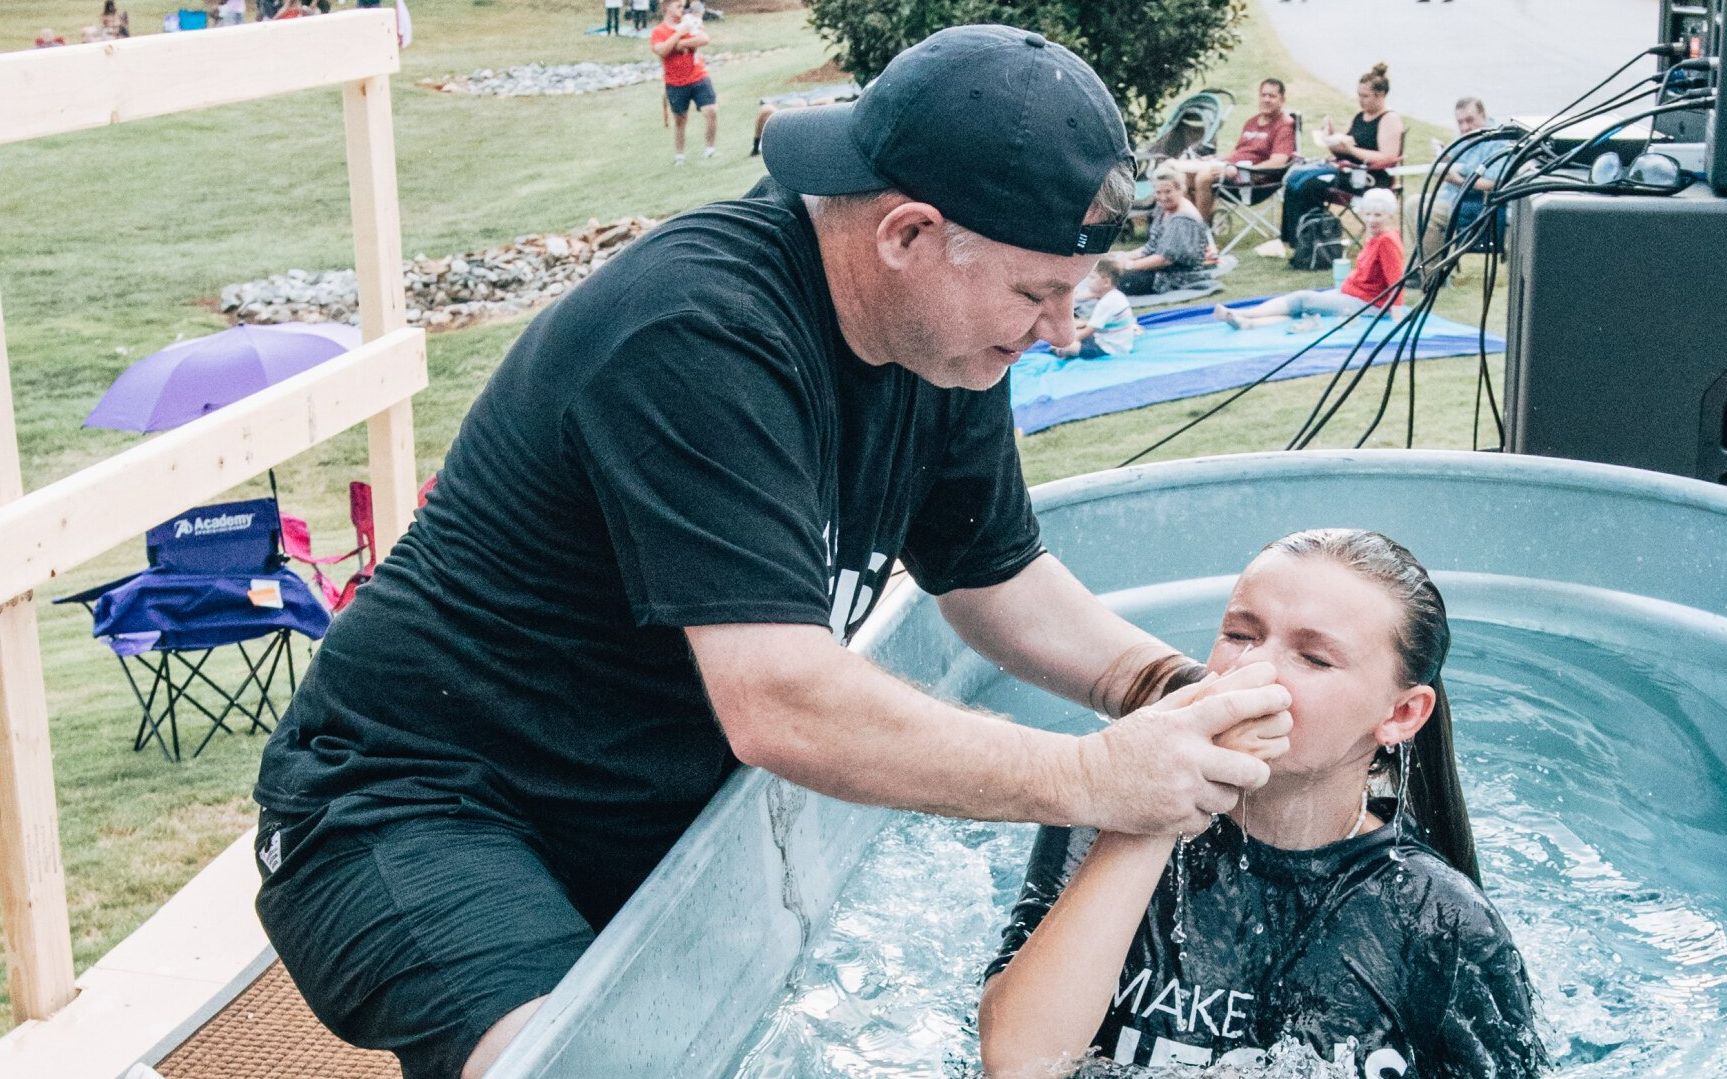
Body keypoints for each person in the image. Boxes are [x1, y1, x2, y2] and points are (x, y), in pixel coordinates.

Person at [252, 25, 1294, 1079]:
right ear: (908, 233)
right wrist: (1094, 775)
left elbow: (996, 577)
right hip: (417, 797)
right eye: (1037, 296)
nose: (1063, 332)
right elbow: (780, 700)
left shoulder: (940, 344)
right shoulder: (699, 332)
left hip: (630, 809)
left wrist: (1164, 689)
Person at [979, 528, 1548, 1079]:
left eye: (1315, 658)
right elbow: (1017, 1063)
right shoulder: (1107, 812)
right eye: (1240, 634)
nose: (1253, 670)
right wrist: (1155, 804)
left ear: (1401, 715)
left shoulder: (1437, 919)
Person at [1218, 186, 1402, 333]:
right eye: (1368, 214)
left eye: (1378, 215)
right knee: (1306, 310)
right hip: (1354, 293)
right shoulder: (1376, 237)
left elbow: (1397, 280)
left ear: (1390, 216)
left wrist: (1397, 316)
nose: (1371, 220)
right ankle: (1249, 324)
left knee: (1303, 299)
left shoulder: (1387, 241)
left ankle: (1244, 313)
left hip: (1369, 304)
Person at [1280, 63, 1403, 249]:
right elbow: (1344, 147)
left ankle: (1311, 242)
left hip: (1369, 178)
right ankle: (1293, 240)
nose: (1360, 100)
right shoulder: (1359, 116)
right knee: (1295, 179)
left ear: (1380, 95)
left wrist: (1352, 151)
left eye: (1365, 96)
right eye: (1359, 95)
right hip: (1347, 171)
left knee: (1309, 186)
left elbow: (1387, 157)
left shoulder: (1389, 119)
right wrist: (1330, 139)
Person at [1164, 78, 1297, 220]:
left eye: (1272, 96)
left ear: (1282, 100)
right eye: (1263, 95)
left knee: (1204, 177)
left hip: (1253, 181)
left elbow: (1278, 162)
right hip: (1232, 170)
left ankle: (1200, 231)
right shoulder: (1252, 122)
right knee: (1184, 176)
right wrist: (1218, 159)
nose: (1266, 99)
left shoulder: (1284, 126)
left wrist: (1238, 170)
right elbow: (1239, 153)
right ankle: (1191, 224)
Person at [1415, 96, 1510, 284]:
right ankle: (1421, 269)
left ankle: (1434, 276)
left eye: (1470, 121)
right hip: (1453, 196)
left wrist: (1457, 180)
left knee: (1428, 212)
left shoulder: (1497, 141)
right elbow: (1459, 163)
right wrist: (1444, 158)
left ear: (1483, 116)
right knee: (1413, 204)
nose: (1465, 127)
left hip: (1476, 204)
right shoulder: (1464, 137)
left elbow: (1493, 183)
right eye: (1460, 122)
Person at [1106, 165, 1211, 297]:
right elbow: (1152, 246)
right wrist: (1124, 255)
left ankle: (1087, 295)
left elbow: (1165, 259)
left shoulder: (1182, 219)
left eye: (1168, 192)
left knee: (1114, 279)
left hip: (1176, 276)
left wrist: (1128, 265)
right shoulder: (1164, 208)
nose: (1163, 197)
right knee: (1106, 269)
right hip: (1159, 268)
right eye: (1158, 192)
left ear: (1181, 189)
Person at [652, 0, 717, 164]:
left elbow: (704, 38)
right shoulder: (659, 31)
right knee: (680, 119)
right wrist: (679, 34)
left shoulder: (689, 22)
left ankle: (710, 149)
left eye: (683, 6)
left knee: (711, 110)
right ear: (667, 7)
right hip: (675, 81)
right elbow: (662, 50)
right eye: (678, 6)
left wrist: (681, 43)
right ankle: (679, 155)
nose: (682, 10)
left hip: (698, 75)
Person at [1055, 259, 1139, 360]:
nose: (1088, 282)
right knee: (1072, 332)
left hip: (1109, 348)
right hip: (1110, 339)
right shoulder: (1114, 294)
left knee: (1069, 346)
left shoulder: (1107, 303)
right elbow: (1081, 296)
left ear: (1106, 282)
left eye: (1092, 278)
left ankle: (1060, 351)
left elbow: (1089, 330)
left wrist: (1068, 342)